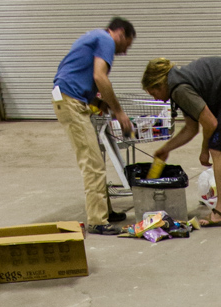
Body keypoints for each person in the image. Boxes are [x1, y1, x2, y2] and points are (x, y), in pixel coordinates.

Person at [141, 57, 221, 228]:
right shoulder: (178, 85)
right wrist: (166, 149)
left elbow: (210, 123)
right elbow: (190, 128)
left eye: (153, 93)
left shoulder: (179, 88)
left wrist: (204, 149)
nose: (155, 99)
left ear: (159, 84)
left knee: (217, 146)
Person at [52, 18, 136, 235]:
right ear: (119, 33)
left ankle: (104, 210)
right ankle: (98, 221)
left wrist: (99, 102)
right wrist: (119, 112)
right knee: (92, 162)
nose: (124, 52)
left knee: (96, 158)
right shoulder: (105, 40)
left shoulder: (93, 37)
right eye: (126, 45)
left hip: (70, 99)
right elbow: (100, 76)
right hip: (71, 102)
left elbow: (81, 72)